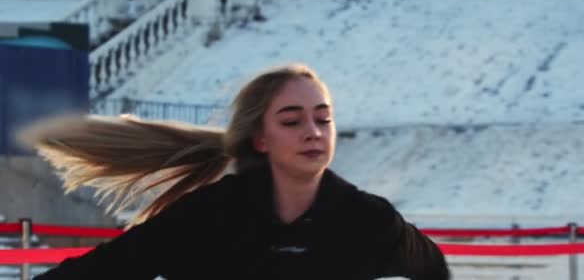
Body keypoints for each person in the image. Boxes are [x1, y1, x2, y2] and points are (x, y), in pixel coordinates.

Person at [23, 64, 450, 280]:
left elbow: (434, 270)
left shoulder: (370, 220)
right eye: (291, 120)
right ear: (260, 139)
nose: (313, 132)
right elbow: (100, 273)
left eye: (324, 118)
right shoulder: (206, 216)